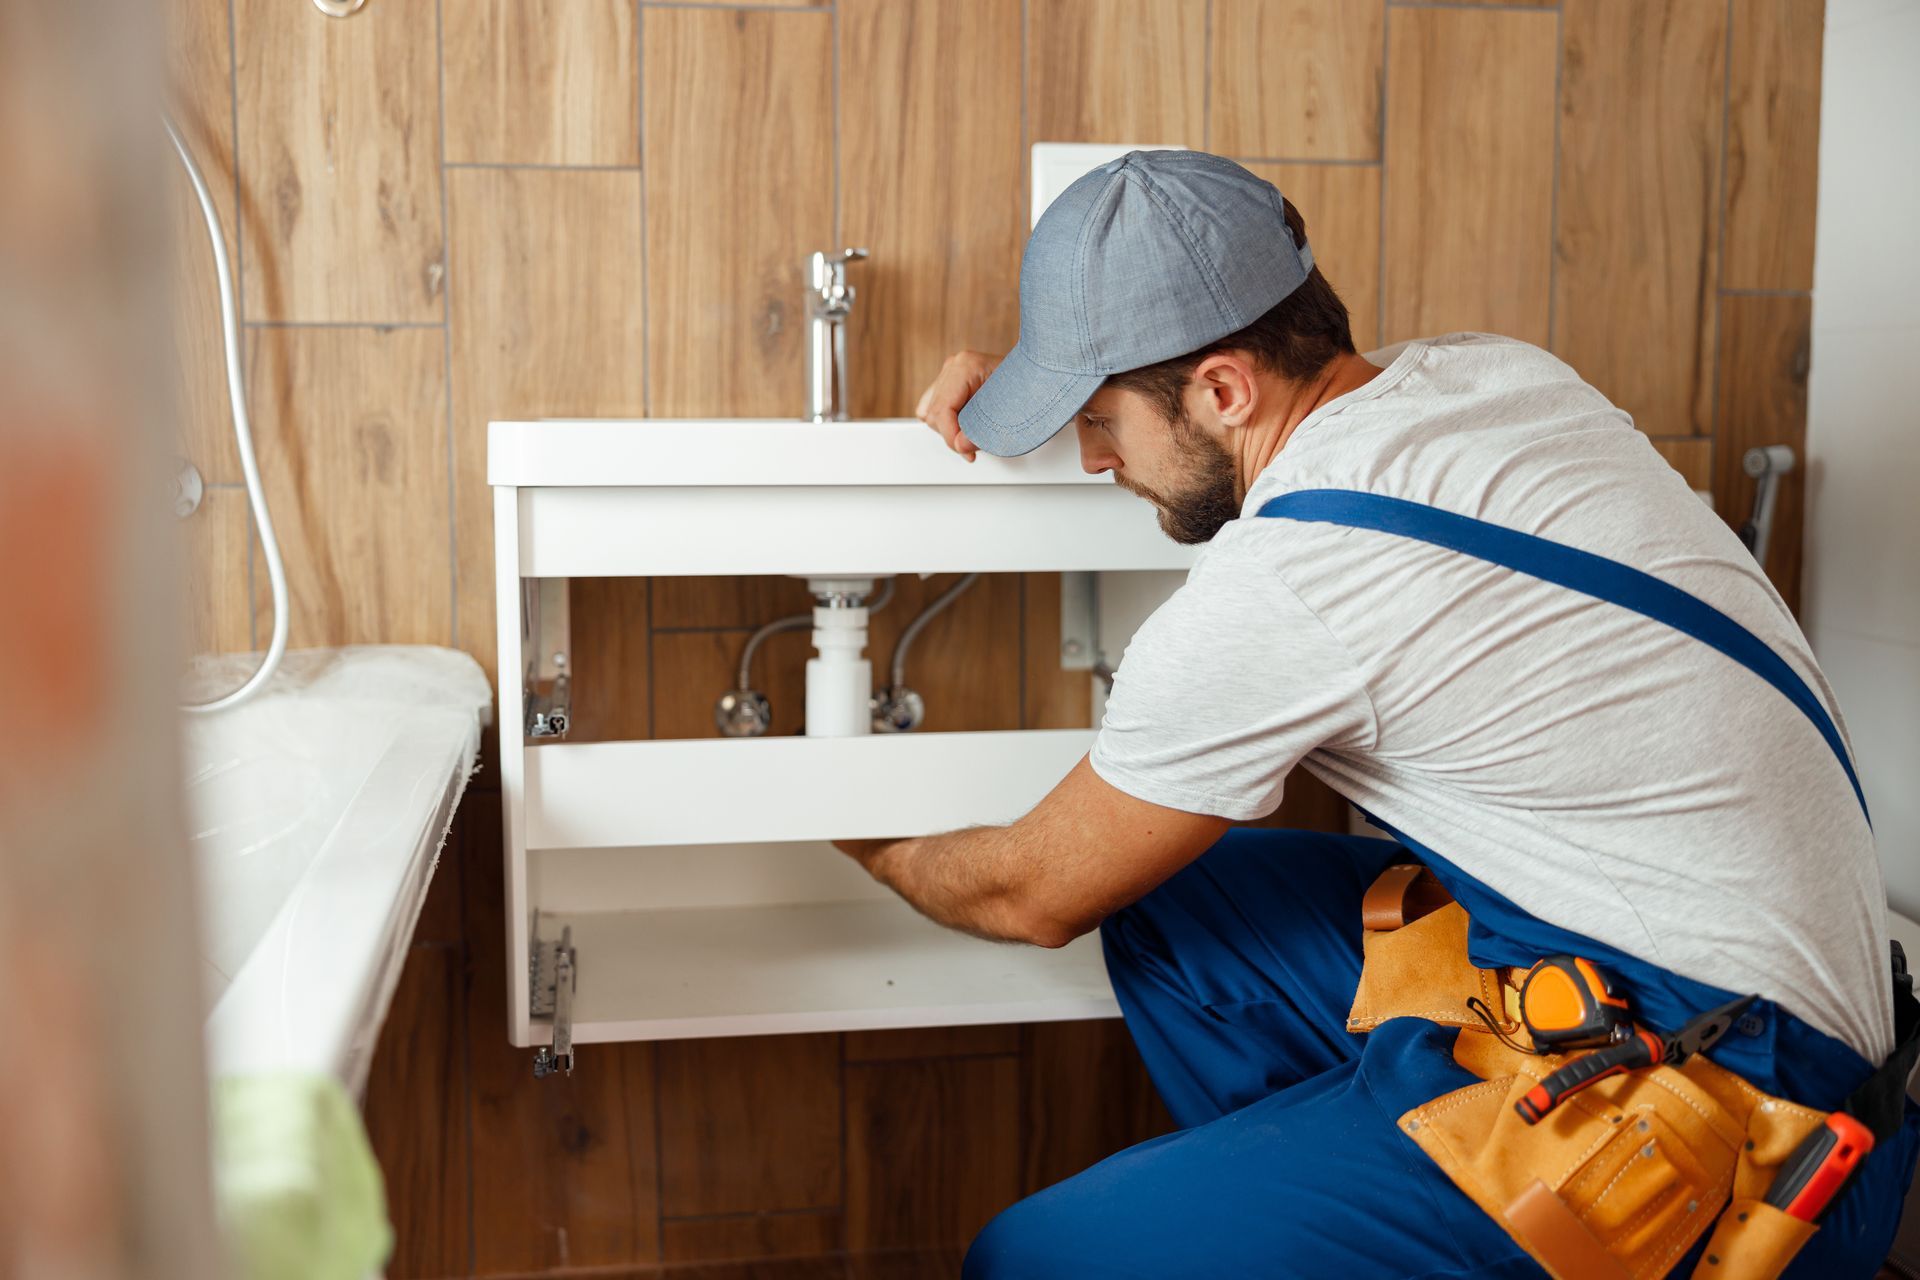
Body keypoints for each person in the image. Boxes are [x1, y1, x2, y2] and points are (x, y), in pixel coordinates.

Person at [831, 150, 1918, 1277]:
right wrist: (1058, 375)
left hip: (1746, 1151)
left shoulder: (1291, 580)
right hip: (1761, 1026)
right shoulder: (1494, 374)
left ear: (1221, 389)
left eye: (1100, 416)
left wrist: (866, 837)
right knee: (1176, 912)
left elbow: (1031, 889)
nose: (1095, 454)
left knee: (1032, 1258)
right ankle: (1348, 1197)